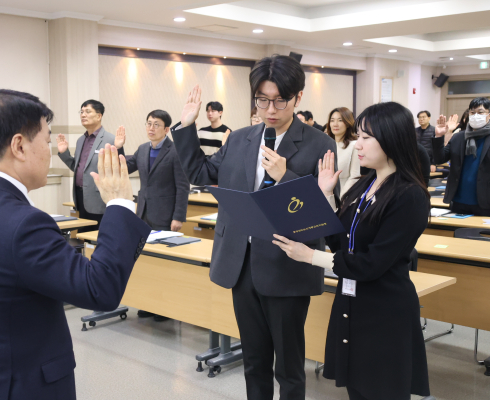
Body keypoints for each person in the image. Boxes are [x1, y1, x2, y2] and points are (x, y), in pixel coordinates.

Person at [0, 89, 150, 400]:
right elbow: (99, 289)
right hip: (21, 387)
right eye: (46, 141)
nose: (49, 151)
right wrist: (120, 204)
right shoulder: (24, 224)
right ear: (19, 146)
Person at [172, 54, 339, 400]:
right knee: (254, 360)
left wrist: (285, 176)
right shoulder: (240, 139)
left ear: (298, 97)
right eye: (262, 100)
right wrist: (186, 127)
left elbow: (321, 215)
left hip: (287, 267)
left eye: (280, 100)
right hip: (242, 264)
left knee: (289, 368)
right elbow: (202, 174)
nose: (270, 110)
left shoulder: (319, 143)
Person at [272, 101, 431, 400]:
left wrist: (310, 256)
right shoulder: (364, 185)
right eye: (358, 136)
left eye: (366, 137)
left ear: (392, 139)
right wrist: (326, 194)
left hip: (384, 311)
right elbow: (342, 243)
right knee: (357, 388)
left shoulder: (409, 196)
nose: (358, 144)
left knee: (381, 390)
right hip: (352, 304)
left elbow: (371, 263)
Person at [117, 110, 190, 321]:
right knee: (146, 260)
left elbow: (183, 187)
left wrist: (178, 216)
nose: (151, 128)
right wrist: (119, 147)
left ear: (166, 129)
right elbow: (125, 167)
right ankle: (149, 304)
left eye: (156, 124)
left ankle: (165, 308)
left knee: (164, 263)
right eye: (148, 123)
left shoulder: (175, 151)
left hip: (166, 215)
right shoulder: (142, 149)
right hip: (143, 213)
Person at [56, 100, 125, 232]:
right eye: (81, 112)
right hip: (80, 197)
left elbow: (119, 169)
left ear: (99, 116)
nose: (83, 115)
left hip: (100, 199)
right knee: (83, 236)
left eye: (88, 112)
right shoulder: (81, 140)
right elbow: (79, 168)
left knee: (98, 237)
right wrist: (64, 153)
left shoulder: (110, 140)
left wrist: (119, 147)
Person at [433, 97, 490, 216]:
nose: (475, 116)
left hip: (485, 202)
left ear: (488, 115)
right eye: (472, 112)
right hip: (458, 200)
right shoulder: (459, 137)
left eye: (480, 112)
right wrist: (439, 136)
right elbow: (439, 159)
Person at [325, 107, 360, 196]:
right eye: (332, 120)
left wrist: (342, 198)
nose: (335, 124)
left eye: (340, 120)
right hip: (324, 194)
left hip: (344, 194)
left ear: (348, 123)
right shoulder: (325, 144)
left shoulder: (354, 145)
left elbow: (354, 177)